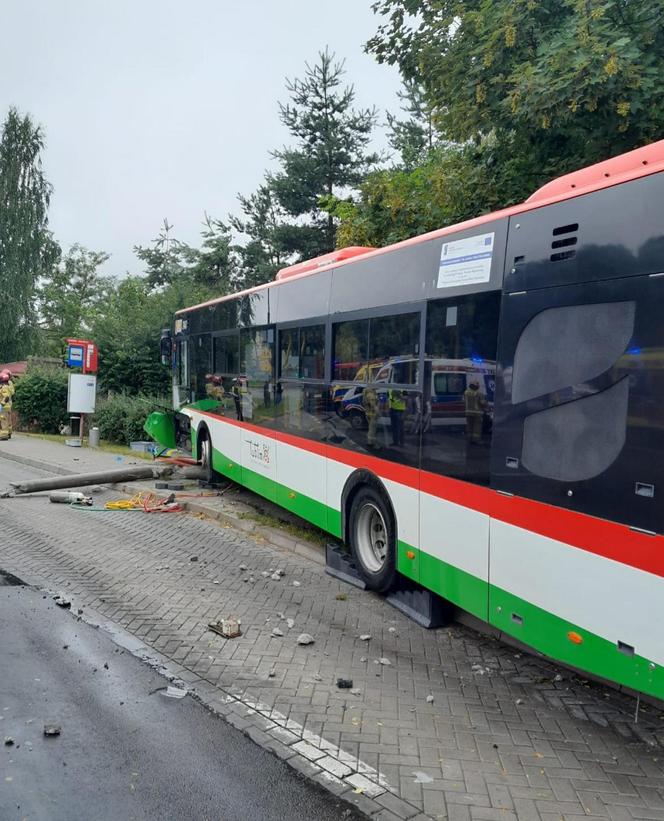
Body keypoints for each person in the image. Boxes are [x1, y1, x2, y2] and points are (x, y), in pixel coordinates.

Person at [463, 379, 486, 444]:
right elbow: (482, 403)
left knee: (469, 426)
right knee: (476, 428)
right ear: (476, 386)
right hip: (477, 413)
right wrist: (486, 405)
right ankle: (476, 440)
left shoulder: (466, 392)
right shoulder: (479, 394)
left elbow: (464, 401)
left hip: (468, 412)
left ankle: (469, 439)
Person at [0, 370, 15, 441]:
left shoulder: (4, 387)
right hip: (7, 405)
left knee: (3, 421)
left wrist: (1, 404)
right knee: (6, 420)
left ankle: (4, 435)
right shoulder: (7, 385)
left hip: (4, 406)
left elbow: (6, 396)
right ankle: (7, 433)